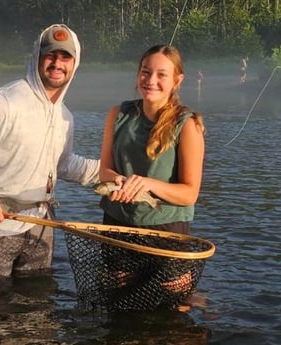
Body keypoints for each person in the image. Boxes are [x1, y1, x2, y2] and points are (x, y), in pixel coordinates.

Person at [0, 24, 99, 280]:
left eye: (65, 57)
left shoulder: (65, 116)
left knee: (37, 308)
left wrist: (107, 172)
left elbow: (62, 164)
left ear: (75, 64)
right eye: (50, 55)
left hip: (41, 225)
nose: (57, 63)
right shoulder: (4, 101)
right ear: (37, 57)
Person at [97, 44, 206, 307]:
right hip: (117, 222)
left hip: (167, 229)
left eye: (161, 75)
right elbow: (104, 171)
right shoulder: (118, 114)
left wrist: (147, 184)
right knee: (120, 301)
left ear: (177, 81)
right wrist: (118, 181)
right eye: (146, 72)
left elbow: (190, 193)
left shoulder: (188, 124)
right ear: (138, 74)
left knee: (173, 304)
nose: (151, 81)